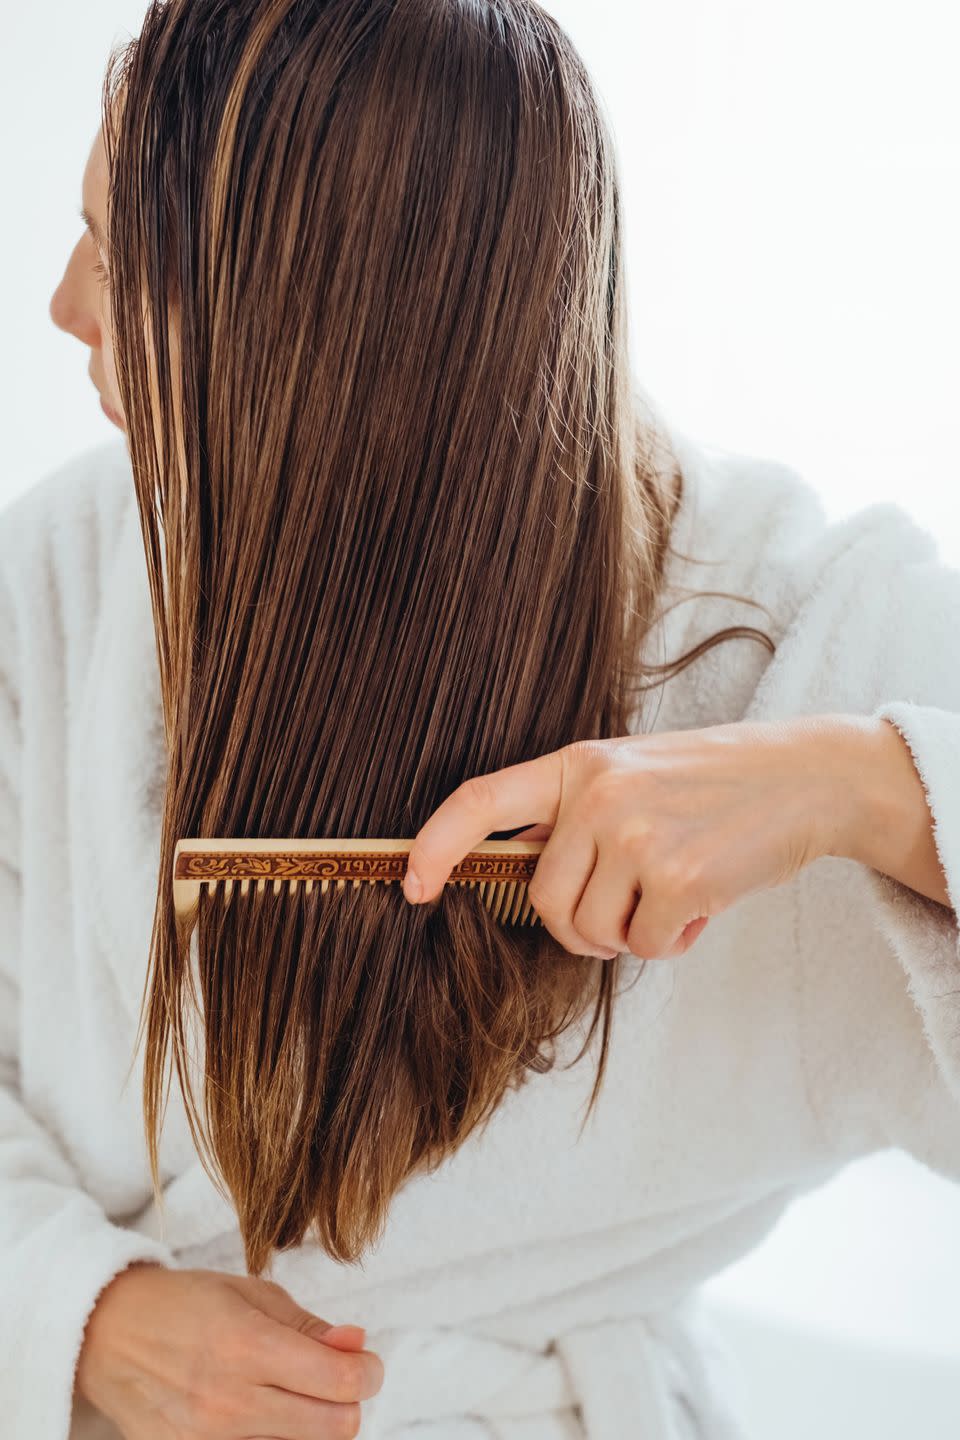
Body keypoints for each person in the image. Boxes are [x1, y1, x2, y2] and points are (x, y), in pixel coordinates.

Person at [4, 1, 959, 1437]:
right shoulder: (71, 564)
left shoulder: (793, 640)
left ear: (321, 335)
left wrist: (870, 789)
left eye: (120, 258)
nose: (65, 305)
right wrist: (69, 1310)